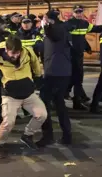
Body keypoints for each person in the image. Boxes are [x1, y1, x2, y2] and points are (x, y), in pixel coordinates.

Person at [37, 10, 72, 147]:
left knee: (45, 104)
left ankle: (48, 136)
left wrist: (46, 26)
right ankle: (66, 136)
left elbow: (53, 35)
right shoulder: (61, 28)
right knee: (59, 104)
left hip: (55, 73)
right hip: (60, 71)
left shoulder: (55, 29)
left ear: (48, 19)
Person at [66, 5, 102, 109]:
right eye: (76, 12)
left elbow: (95, 29)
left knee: (75, 77)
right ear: (72, 13)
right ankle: (78, 98)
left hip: (79, 54)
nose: (79, 14)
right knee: (77, 77)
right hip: (70, 54)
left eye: (80, 12)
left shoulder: (84, 23)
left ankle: (72, 95)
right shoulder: (68, 24)